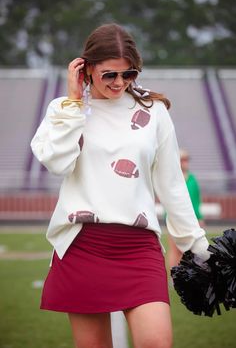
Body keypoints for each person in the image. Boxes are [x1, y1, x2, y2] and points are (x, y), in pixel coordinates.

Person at [31, 23, 210, 348]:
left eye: (128, 74)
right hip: (82, 245)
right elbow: (57, 162)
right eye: (109, 75)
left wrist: (199, 248)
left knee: (157, 342)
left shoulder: (153, 112)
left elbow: (171, 185)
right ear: (86, 69)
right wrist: (74, 104)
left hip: (138, 248)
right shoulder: (64, 109)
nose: (120, 83)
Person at [167, 149, 205, 269]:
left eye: (186, 160)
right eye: (182, 160)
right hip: (175, 220)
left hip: (193, 220)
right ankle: (174, 277)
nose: (185, 163)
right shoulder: (172, 179)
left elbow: (196, 200)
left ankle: (189, 277)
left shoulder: (192, 179)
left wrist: (200, 218)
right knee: (175, 250)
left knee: (193, 251)